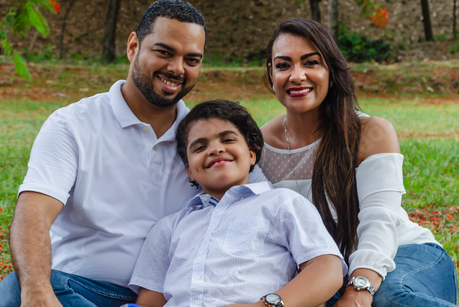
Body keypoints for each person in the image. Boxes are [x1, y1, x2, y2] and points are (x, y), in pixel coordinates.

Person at [0, 0, 261, 307]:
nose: (177, 68)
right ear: (133, 46)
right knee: (17, 289)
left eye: (191, 59)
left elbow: (255, 207)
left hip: (174, 296)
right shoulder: (72, 125)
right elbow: (34, 210)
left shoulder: (205, 144)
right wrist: (37, 289)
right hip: (81, 290)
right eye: (164, 52)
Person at [258, 18, 458, 307]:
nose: (297, 75)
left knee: (386, 300)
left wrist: (359, 289)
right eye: (283, 65)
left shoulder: (369, 132)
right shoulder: (259, 145)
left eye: (311, 62)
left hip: (402, 253)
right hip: (327, 271)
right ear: (271, 72)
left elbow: (380, 220)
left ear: (330, 69)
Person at [129, 99, 347, 307]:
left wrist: (265, 305)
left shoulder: (282, 203)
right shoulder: (169, 228)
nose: (215, 149)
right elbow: (150, 302)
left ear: (251, 155)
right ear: (189, 171)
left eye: (228, 139)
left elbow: (326, 268)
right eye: (199, 147)